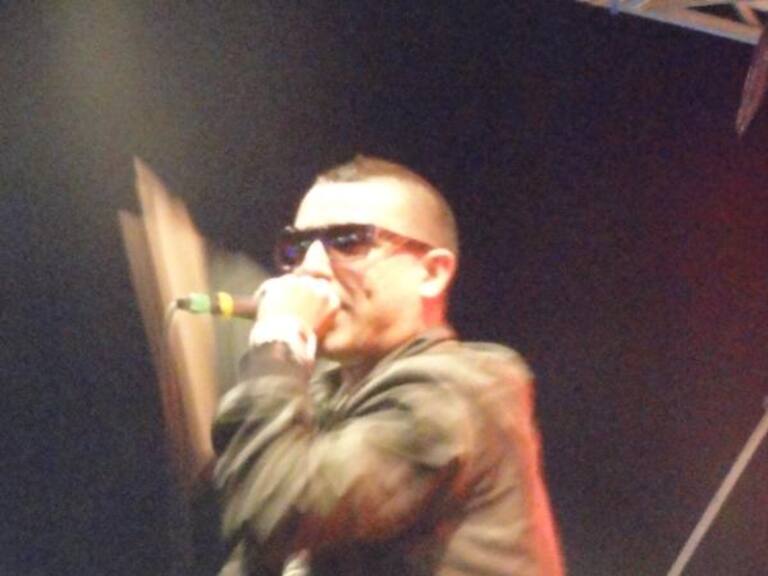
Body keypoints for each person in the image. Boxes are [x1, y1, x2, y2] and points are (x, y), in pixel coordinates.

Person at [212, 156, 565, 576]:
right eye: (298, 247)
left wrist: (280, 337)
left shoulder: (464, 388)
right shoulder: (322, 395)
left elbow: (279, 511)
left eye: (349, 242)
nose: (310, 268)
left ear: (431, 273)